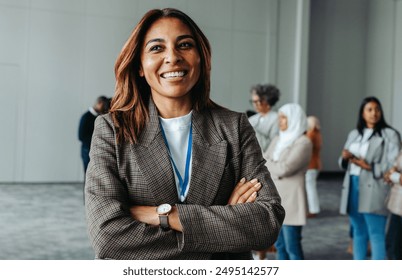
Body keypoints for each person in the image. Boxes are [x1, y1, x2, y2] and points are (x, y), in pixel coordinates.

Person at [85, 8, 285, 260]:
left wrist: (164, 215)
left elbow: (266, 223)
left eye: (185, 45)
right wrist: (221, 223)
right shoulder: (112, 129)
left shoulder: (234, 126)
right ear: (139, 66)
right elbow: (108, 237)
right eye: (157, 48)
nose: (173, 57)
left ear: (201, 58)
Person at [339, 96, 401, 260]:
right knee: (358, 231)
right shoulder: (354, 134)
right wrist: (345, 157)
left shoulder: (390, 134)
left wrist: (368, 166)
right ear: (362, 113)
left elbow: (392, 164)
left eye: (377, 109)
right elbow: (343, 161)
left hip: (375, 186)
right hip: (353, 184)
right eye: (370, 110)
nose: (374, 113)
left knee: (376, 233)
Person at [264, 103, 312, 260]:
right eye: (279, 118)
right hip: (275, 200)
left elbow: (285, 168)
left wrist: (269, 163)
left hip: (291, 201)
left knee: (292, 246)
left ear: (294, 119)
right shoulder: (277, 139)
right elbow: (262, 163)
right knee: (280, 246)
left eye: (284, 118)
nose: (280, 121)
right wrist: (272, 165)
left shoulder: (303, 142)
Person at [78, 96, 111, 173]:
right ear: (99, 103)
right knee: (89, 174)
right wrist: (98, 140)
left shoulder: (100, 116)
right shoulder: (86, 117)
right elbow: (81, 136)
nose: (105, 108)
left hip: (96, 149)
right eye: (104, 105)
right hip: (87, 150)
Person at [248, 84, 280, 153]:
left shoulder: (276, 119)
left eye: (257, 101)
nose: (255, 104)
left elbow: (273, 145)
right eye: (253, 102)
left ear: (267, 101)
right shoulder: (252, 119)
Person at [384, 150, 402, 259]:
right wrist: (390, 172)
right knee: (392, 246)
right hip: (397, 205)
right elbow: (396, 165)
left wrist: (393, 176)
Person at [305, 116, 322, 217]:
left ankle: (313, 210)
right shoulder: (318, 133)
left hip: (310, 165)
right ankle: (312, 208)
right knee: (311, 187)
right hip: (315, 164)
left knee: (310, 188)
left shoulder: (311, 134)